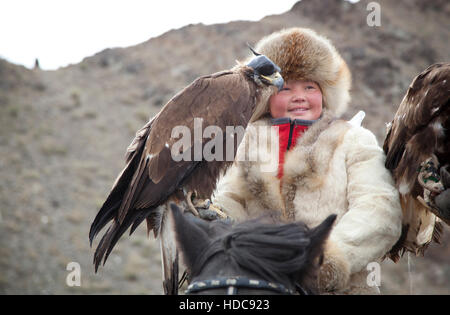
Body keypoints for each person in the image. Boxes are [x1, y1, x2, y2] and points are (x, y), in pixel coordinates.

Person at [211, 28, 403, 294]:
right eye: (285, 87)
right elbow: (229, 201)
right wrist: (214, 226)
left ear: (325, 92)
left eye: (309, 86)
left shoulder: (353, 139)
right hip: (259, 285)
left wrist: (327, 260)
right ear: (266, 95)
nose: (298, 96)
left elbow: (379, 208)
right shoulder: (243, 142)